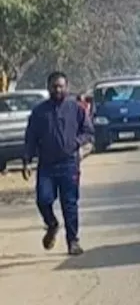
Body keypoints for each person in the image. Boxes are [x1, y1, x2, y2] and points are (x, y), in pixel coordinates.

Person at [21, 71, 92, 255]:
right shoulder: (39, 112)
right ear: (48, 88)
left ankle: (73, 242)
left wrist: (76, 143)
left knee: (69, 204)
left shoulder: (76, 109)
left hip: (69, 164)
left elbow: (88, 132)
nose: (58, 89)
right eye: (54, 86)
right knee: (43, 200)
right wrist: (27, 161)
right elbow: (30, 138)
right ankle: (52, 224)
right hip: (47, 166)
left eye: (61, 86)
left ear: (67, 87)